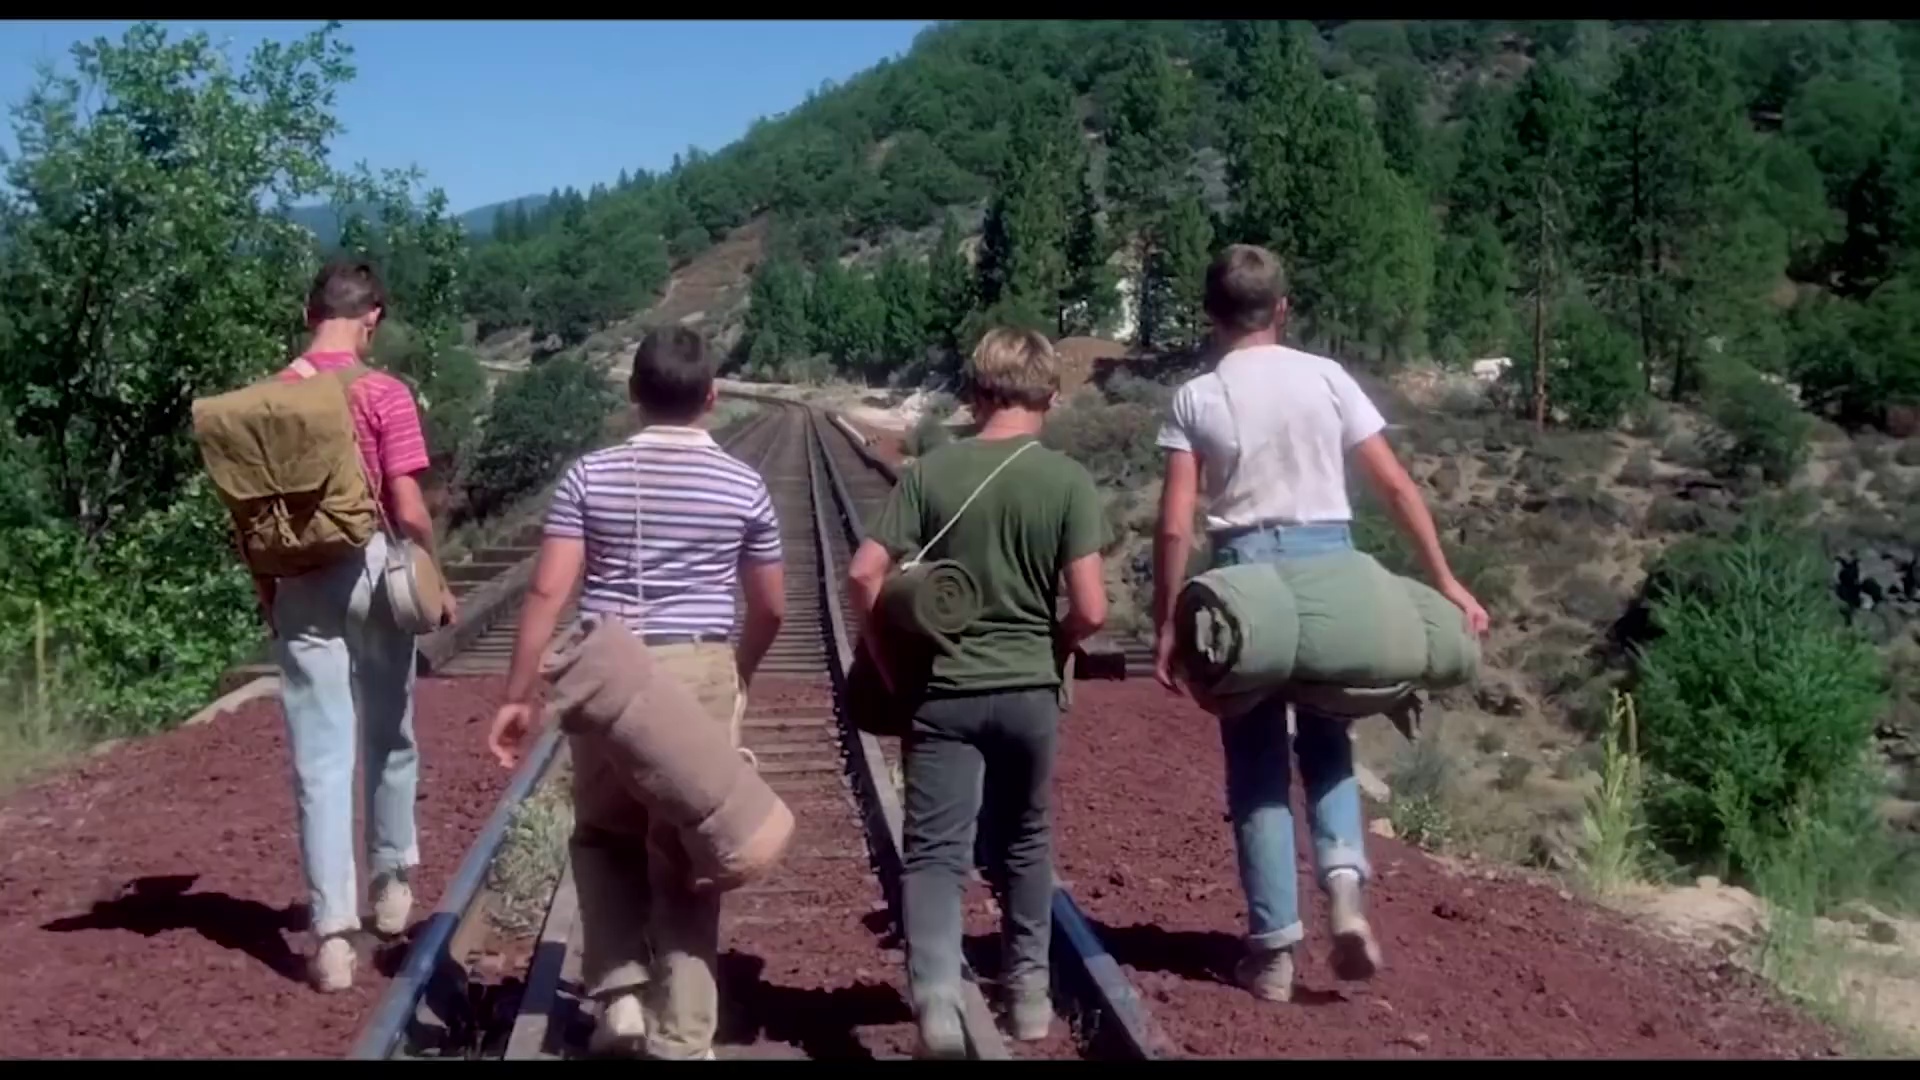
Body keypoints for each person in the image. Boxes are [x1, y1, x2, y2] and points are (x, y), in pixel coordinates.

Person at [1149, 244, 1490, 1002]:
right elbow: (1395, 487)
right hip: (1335, 572)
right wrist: (1445, 579)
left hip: (1245, 588)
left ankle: (1274, 952)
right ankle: (1344, 888)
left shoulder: (1196, 396)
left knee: (1256, 765)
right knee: (1330, 739)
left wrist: (1168, 619)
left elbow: (1174, 524)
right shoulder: (1327, 377)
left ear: (1210, 315)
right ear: (1282, 309)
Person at [487, 326, 786, 1061]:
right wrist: (738, 668)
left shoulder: (589, 476)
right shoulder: (743, 485)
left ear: (633, 395)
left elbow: (548, 590)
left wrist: (520, 694)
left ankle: (619, 999)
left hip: (607, 673)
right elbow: (771, 606)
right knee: (688, 849)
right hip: (701, 669)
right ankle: (683, 1036)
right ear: (711, 397)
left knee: (604, 833)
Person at [847, 328, 1108, 1058]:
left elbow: (864, 573)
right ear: (1048, 395)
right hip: (1029, 694)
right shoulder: (1067, 481)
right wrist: (1052, 646)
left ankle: (936, 1003)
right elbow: (1091, 609)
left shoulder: (932, 472)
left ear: (977, 393)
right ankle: (1028, 999)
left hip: (943, 692)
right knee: (1024, 842)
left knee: (934, 852)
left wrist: (888, 662)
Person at [261, 260, 453, 992]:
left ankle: (333, 937)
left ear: (310, 315)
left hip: (300, 577)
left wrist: (268, 592)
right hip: (374, 570)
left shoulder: (271, 397)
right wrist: (433, 575)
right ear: (370, 317)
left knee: (320, 757)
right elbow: (407, 507)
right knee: (390, 731)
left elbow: (252, 515)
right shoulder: (383, 392)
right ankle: (392, 881)